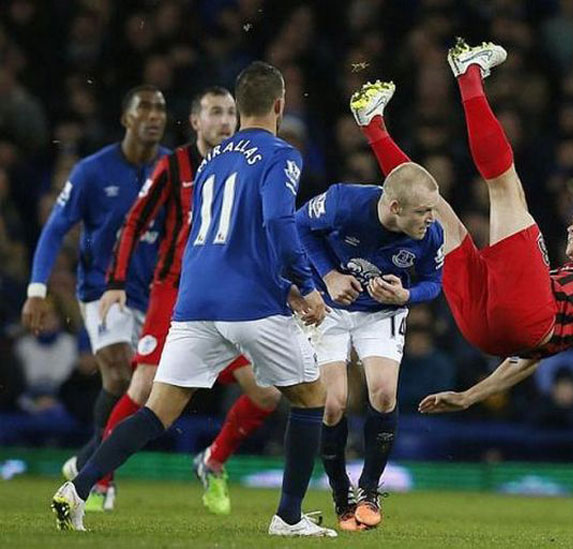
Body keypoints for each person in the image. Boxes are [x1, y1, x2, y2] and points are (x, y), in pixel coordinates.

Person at [348, 38, 573, 439]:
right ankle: (373, 125)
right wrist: (470, 396)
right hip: (488, 331)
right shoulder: (557, 281)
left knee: (506, 189)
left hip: (522, 322)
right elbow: (527, 357)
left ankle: (469, 74)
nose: (572, 227)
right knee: (432, 208)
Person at [51, 61, 337, 538]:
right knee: (311, 397)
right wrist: (304, 286)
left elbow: (213, 233)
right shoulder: (282, 155)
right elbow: (276, 223)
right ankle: (288, 517)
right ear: (280, 105)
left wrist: (282, 286)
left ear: (239, 108)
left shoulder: (211, 159)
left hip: (194, 301)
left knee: (155, 410)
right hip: (249, 303)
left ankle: (77, 489)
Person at [72, 87, 281, 515]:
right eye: (215, 112)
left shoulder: (250, 163)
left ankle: (213, 460)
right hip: (174, 290)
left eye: (231, 112)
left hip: (229, 293)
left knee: (266, 395)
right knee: (144, 385)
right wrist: (115, 281)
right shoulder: (174, 166)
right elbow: (135, 221)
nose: (225, 121)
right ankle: (98, 482)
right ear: (196, 121)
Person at [22, 85, 169, 494]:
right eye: (144, 108)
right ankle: (101, 479)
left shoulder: (172, 168)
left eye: (160, 109)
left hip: (155, 294)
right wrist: (36, 288)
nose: (154, 116)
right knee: (119, 372)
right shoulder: (92, 171)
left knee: (147, 390)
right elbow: (55, 228)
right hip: (102, 289)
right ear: (126, 118)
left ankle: (88, 460)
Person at [295, 161, 444, 530]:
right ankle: (340, 494)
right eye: (423, 211)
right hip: (329, 305)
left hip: (381, 312)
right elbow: (298, 225)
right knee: (333, 402)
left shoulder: (431, 234)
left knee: (383, 393)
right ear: (395, 207)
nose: (430, 218)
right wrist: (329, 275)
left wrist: (406, 295)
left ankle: (370, 491)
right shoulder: (343, 203)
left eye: (433, 209)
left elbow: (434, 281)